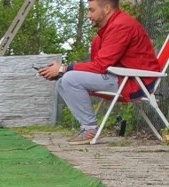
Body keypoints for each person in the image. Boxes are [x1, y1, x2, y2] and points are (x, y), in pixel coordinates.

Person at [38, 0, 159, 145]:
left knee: (70, 78)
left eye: (91, 10)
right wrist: (61, 72)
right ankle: (87, 127)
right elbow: (97, 65)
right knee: (62, 82)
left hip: (136, 83)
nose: (88, 15)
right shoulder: (106, 31)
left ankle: (90, 128)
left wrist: (63, 69)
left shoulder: (121, 26)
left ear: (107, 8)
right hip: (123, 77)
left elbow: (100, 66)